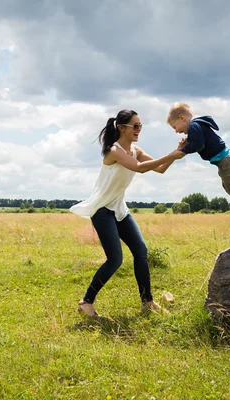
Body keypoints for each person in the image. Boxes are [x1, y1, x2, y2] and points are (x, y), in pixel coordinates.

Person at [70, 109, 185, 317]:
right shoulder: (113, 151)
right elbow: (139, 168)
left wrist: (177, 154)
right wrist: (172, 155)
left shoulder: (136, 150)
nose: (139, 130)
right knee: (115, 259)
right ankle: (86, 302)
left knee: (141, 251)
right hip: (102, 210)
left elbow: (160, 169)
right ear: (121, 128)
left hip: (119, 210)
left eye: (140, 126)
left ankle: (147, 302)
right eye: (135, 126)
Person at [166, 102, 230, 237]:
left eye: (174, 127)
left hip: (226, 160)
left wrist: (184, 150)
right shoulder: (196, 126)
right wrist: (186, 143)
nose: (176, 131)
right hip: (224, 161)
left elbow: (199, 145)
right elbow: (198, 140)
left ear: (182, 118)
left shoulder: (194, 126)